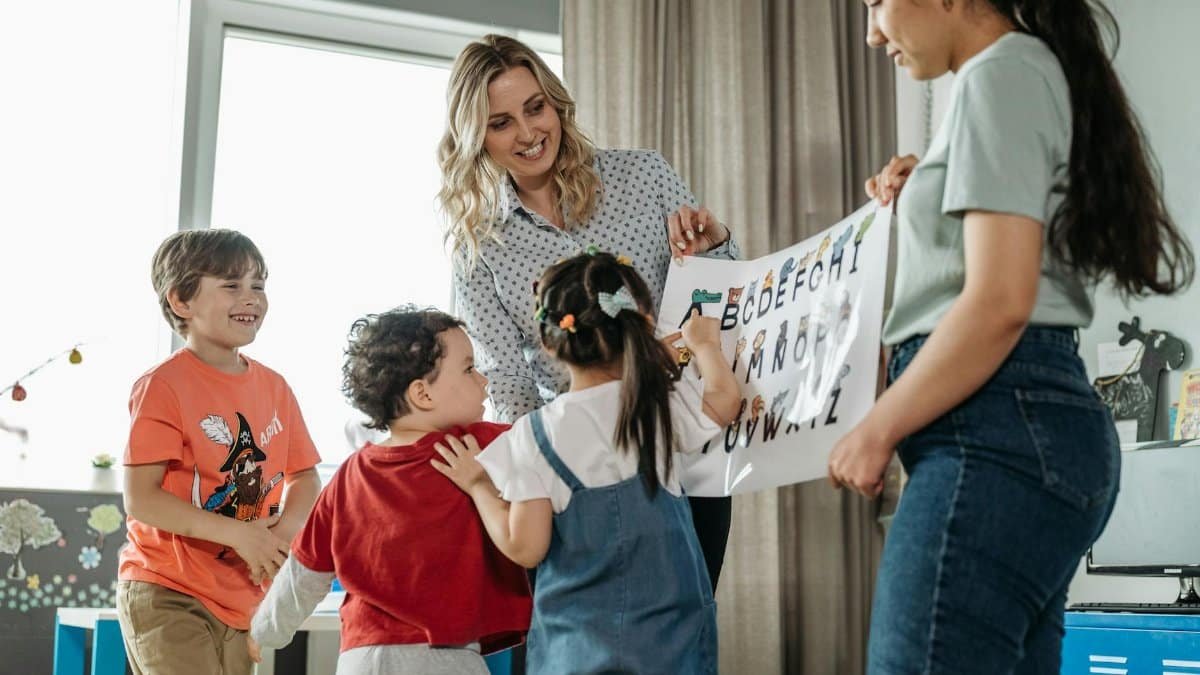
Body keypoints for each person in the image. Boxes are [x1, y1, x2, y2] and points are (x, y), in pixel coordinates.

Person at [828, 1, 1194, 673]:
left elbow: (999, 302)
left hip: (995, 432)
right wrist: (931, 190)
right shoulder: (1015, 73)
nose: (872, 33)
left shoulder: (1001, 72)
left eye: (877, 2)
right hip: (1019, 430)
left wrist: (876, 428)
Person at [438, 33, 740, 589]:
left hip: (685, 448)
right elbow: (508, 381)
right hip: (576, 474)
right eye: (501, 122)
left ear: (556, 103)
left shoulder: (643, 177)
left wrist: (715, 244)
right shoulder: (478, 247)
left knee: (684, 631)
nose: (529, 134)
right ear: (475, 137)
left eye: (535, 108)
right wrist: (540, 470)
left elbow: (721, 299)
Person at [432, 251, 742, 674]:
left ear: (547, 342)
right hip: (672, 643)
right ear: (641, 326)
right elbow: (726, 402)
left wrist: (479, 487)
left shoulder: (534, 435)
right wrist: (706, 346)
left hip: (575, 651)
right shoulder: (653, 407)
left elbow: (526, 547)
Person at [247, 307, 532, 674]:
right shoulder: (475, 447)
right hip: (446, 656)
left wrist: (264, 632)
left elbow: (303, 574)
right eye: (468, 369)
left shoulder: (349, 475)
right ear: (422, 394)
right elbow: (555, 443)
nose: (483, 381)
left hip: (362, 658)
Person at [118, 229, 323, 675]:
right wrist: (238, 535)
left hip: (241, 594)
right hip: (167, 588)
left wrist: (284, 532)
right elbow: (141, 498)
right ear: (181, 301)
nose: (251, 298)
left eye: (259, 285)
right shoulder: (163, 385)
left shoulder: (275, 387)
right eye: (232, 285)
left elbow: (306, 476)